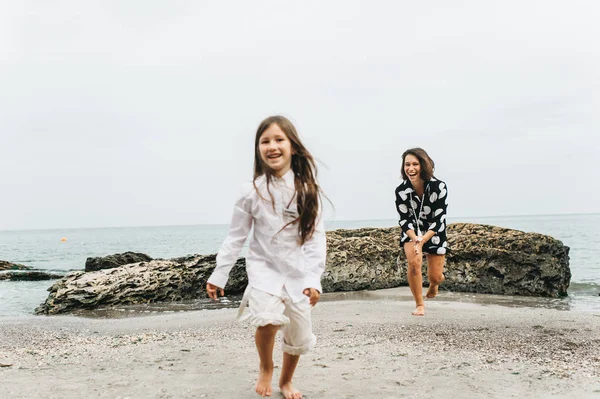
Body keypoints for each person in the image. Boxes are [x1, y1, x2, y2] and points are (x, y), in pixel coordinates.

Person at [206, 115, 326, 399]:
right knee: (266, 318)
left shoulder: (308, 191)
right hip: (263, 269)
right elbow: (236, 236)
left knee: (298, 334)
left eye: (279, 140)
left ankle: (286, 381)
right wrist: (219, 274)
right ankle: (265, 367)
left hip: (298, 273)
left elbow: (315, 238)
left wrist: (313, 278)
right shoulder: (251, 191)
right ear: (258, 149)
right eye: (265, 141)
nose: (272, 146)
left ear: (293, 147)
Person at [394, 148, 449, 316]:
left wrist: (423, 240)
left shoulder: (439, 187)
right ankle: (419, 304)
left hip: (433, 231)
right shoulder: (401, 191)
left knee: (435, 276)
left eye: (415, 164)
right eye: (407, 164)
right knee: (414, 263)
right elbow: (404, 219)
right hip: (412, 231)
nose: (411, 168)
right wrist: (415, 238)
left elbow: (439, 219)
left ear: (423, 165)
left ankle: (434, 284)